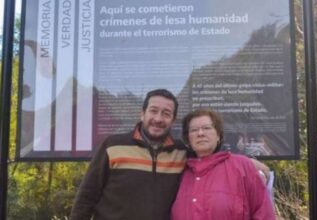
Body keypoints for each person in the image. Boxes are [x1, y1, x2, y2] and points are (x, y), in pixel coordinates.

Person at [70, 89, 187, 220]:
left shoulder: (181, 153)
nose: (158, 119)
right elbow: (87, 196)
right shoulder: (113, 146)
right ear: (142, 114)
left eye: (166, 114)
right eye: (153, 111)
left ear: (173, 120)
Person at [171, 108, 276, 220]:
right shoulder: (180, 172)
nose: (200, 133)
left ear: (218, 135)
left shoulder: (242, 166)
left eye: (207, 128)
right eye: (194, 130)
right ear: (188, 139)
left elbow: (263, 213)